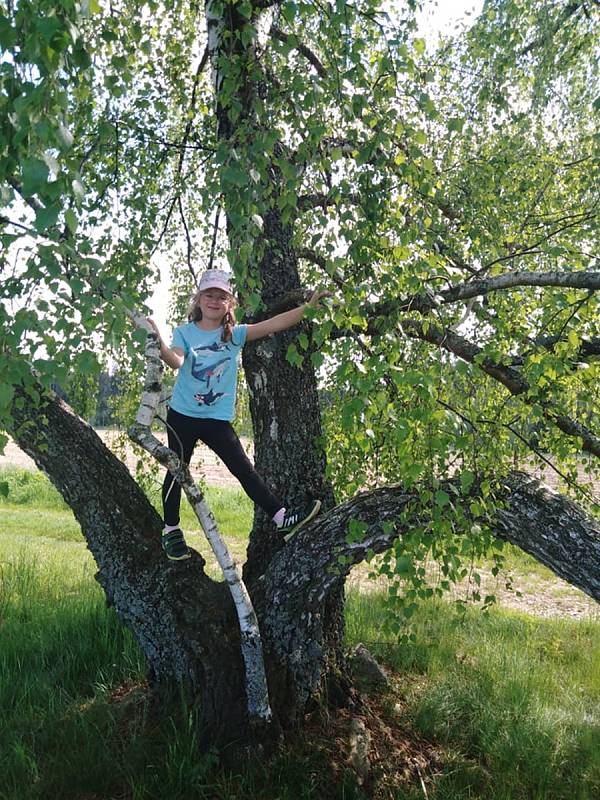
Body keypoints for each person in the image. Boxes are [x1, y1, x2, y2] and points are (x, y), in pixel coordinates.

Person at [148, 268, 328, 560]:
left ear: (229, 303)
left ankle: (282, 520)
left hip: (217, 420)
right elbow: (176, 361)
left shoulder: (234, 335)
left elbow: (275, 324)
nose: (215, 301)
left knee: (244, 469)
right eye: (209, 295)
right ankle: (170, 529)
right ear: (199, 299)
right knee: (176, 469)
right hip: (182, 416)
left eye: (221, 297)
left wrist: (306, 309)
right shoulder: (185, 332)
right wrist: (158, 341)